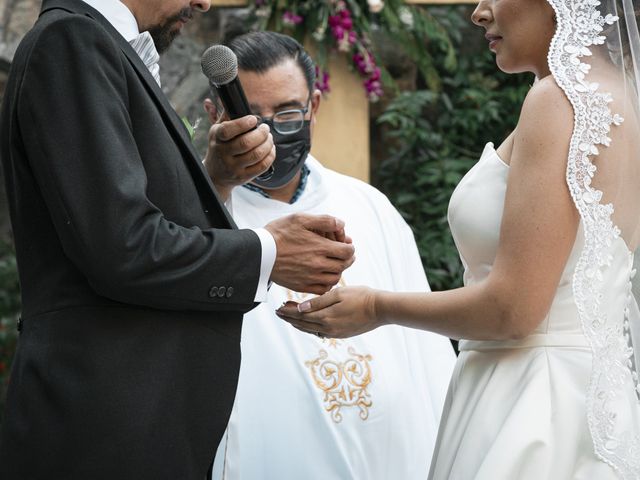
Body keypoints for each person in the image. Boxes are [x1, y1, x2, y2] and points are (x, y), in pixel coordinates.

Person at [277, 0, 640, 478]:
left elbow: (513, 311)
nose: (478, 12)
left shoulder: (559, 100)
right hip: (592, 402)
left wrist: (375, 308)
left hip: (530, 404)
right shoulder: (618, 99)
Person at [0, 0, 355, 478]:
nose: (205, 3)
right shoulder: (72, 40)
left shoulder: (96, 44)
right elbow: (121, 248)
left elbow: (124, 220)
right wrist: (269, 252)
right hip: (104, 431)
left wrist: (218, 178)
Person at [202, 31, 456, 479]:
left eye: (287, 113)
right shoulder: (198, 218)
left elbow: (427, 353)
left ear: (314, 108)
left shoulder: (369, 206)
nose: (271, 133)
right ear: (215, 116)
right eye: (250, 117)